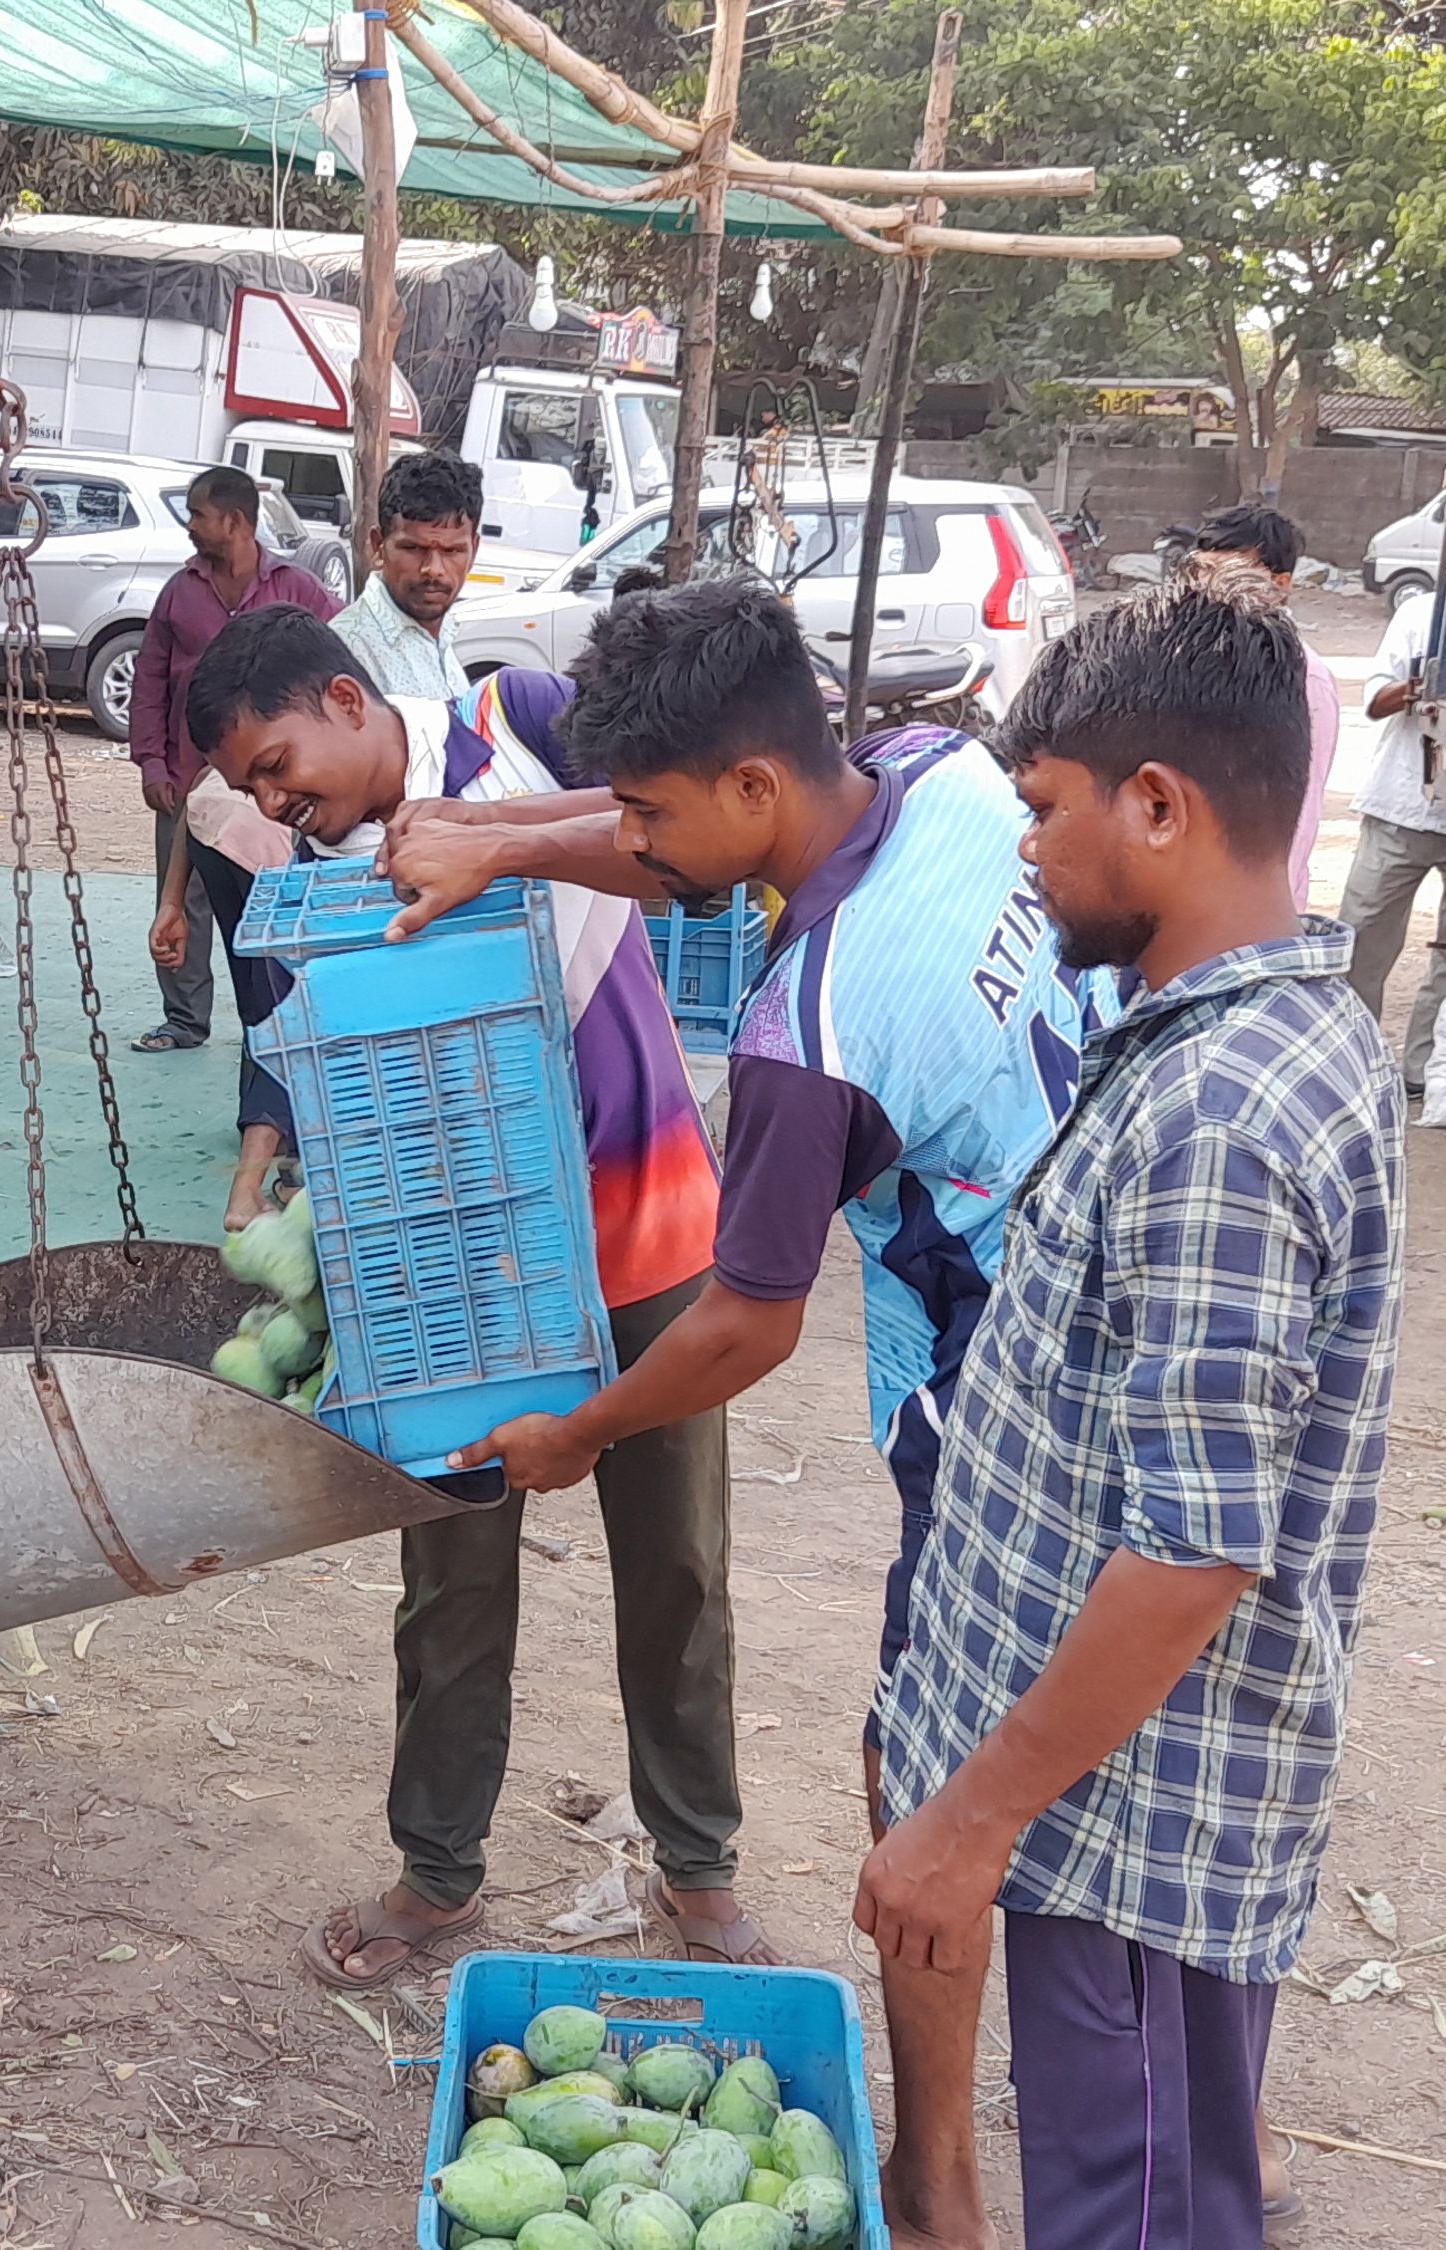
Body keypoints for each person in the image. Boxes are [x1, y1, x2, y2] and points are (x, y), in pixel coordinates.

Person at [372, 581, 1101, 2241]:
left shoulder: (805, 1039)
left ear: (756, 792)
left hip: (1004, 1397)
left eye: (648, 809)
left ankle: (937, 2181)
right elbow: (664, 831)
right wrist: (510, 843)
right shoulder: (944, 773)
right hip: (1101, 1279)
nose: (631, 837)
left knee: (923, 1780)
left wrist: (579, 1434)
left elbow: (744, 1329)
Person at [855, 590, 1403, 2250]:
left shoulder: (1225, 1117)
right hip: (1100, 1806)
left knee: (1136, 2212)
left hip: (1134, 1846)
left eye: (1041, 810)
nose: (1021, 854)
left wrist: (967, 1818)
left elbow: (1195, 1547)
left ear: (1155, 805)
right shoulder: (1213, 1044)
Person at [175, 604, 758, 1985]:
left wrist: (494, 836)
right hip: (448, 1264)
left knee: (676, 1563)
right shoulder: (313, 887)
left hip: (642, 1225)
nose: (272, 802)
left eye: (278, 763)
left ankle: (701, 1868)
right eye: (251, 788)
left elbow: (689, 846)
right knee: (450, 1577)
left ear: (347, 695)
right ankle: (437, 1873)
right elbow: (294, 1047)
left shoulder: (526, 722)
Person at [131, 465, 335, 1054]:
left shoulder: (297, 590)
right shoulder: (180, 591)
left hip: (272, 785)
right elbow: (149, 681)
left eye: (198, 514)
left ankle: (273, 1025)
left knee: (267, 897)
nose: (190, 525)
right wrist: (152, 761)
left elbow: (342, 659)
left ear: (236, 522)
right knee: (178, 899)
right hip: (186, 779)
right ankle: (184, 1019)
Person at [1337, 584, 1446, 1099]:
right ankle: (1352, 1066)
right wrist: (1419, 689)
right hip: (1402, 804)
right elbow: (1375, 699)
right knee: (1362, 940)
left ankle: (1426, 1070)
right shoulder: (1423, 612)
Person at [1174, 504, 1337, 903]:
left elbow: (1297, 810)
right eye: (1201, 573)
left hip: (1249, 911)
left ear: (1280, 584)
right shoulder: (1181, 658)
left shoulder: (1304, 680)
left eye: (1228, 576)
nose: (1206, 591)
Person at [338, 451, 480, 700]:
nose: (433, 568)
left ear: (473, 550)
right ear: (378, 545)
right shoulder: (347, 651)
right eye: (414, 549)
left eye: (452, 551)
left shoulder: (442, 635)